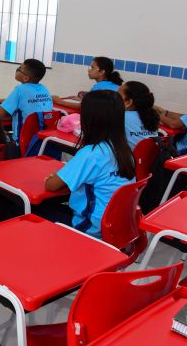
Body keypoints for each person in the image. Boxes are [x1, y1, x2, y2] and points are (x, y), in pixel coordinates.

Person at [44, 90, 135, 238]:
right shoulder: (124, 151)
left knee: (27, 209)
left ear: (89, 119)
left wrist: (55, 177)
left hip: (90, 230)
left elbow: (51, 185)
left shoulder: (91, 153)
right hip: (116, 227)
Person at [0, 58, 53, 143]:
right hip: (40, 139)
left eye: (19, 68)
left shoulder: (20, 90)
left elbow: (0, 115)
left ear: (25, 78)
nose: (17, 70)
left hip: (22, 141)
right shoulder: (44, 89)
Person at [53, 56, 123, 109]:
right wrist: (84, 100)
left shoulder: (98, 87)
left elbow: (82, 107)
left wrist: (60, 101)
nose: (89, 70)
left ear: (102, 72)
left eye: (92, 68)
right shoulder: (114, 85)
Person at [118, 81, 160, 149]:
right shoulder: (152, 114)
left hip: (129, 158)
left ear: (128, 102)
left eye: (118, 95)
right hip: (149, 158)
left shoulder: (121, 116)